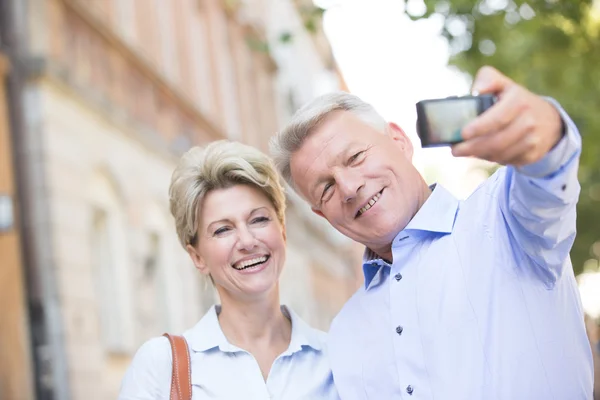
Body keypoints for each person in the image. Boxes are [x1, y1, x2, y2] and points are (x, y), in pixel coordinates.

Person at [269, 66, 594, 399]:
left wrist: (545, 131)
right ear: (322, 215)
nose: (349, 188)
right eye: (326, 188)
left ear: (399, 140)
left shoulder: (507, 219)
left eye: (355, 157)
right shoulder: (344, 335)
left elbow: (548, 179)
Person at [118, 140, 338, 399]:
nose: (247, 241)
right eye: (223, 229)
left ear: (282, 231)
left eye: (258, 219)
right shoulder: (161, 367)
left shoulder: (336, 358)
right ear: (197, 257)